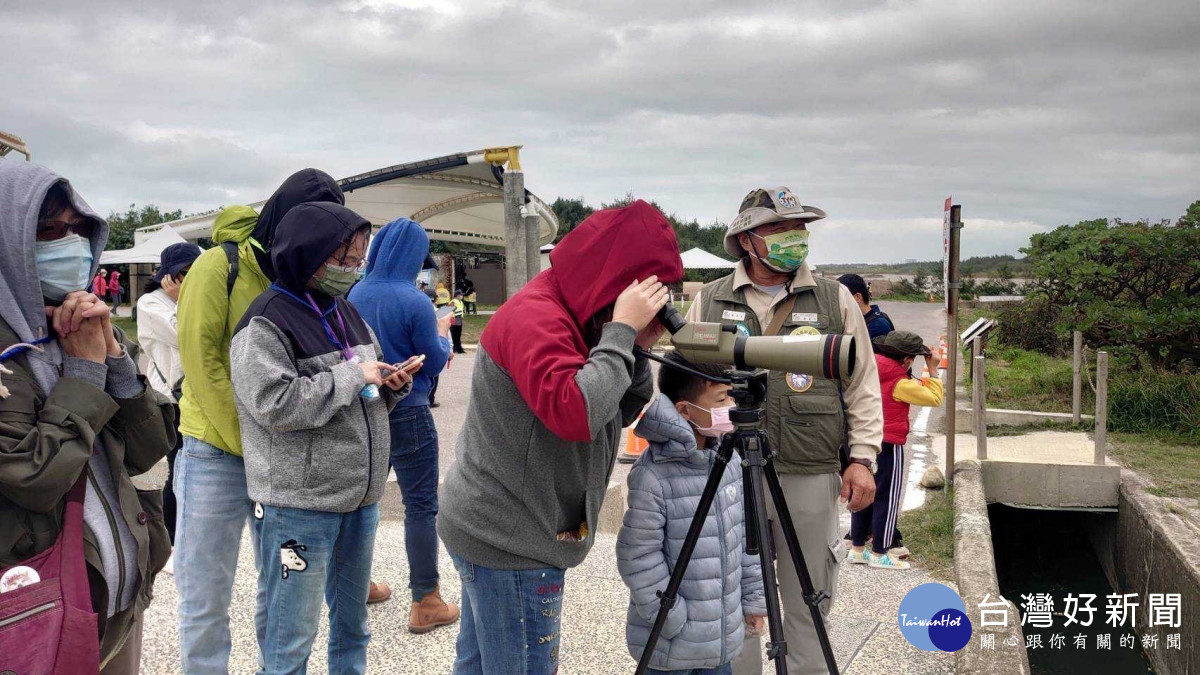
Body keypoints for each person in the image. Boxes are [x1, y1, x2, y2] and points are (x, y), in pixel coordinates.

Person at [439, 200, 683, 674]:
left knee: (480, 664)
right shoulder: (537, 318)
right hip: (511, 542)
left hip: (506, 527)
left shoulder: (578, 311)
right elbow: (577, 413)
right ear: (618, 284)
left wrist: (630, 342)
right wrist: (619, 330)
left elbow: (623, 407)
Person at [173, 169, 376, 674]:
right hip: (217, 445)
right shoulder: (220, 267)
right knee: (205, 592)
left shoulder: (322, 292)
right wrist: (257, 441)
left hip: (282, 455)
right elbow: (202, 363)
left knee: (279, 591)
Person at [685, 187, 883, 675]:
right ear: (747, 238)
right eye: (779, 229)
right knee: (733, 593)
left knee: (809, 598)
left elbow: (863, 386)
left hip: (809, 471)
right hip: (727, 473)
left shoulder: (835, 299)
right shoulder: (710, 300)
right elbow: (681, 379)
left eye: (799, 229)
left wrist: (862, 458)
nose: (794, 238)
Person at [0, 162, 176, 673]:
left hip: (116, 599)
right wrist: (82, 370)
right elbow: (31, 477)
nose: (70, 244)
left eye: (79, 230)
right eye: (49, 231)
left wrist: (115, 362)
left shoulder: (80, 324)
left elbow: (151, 448)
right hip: (33, 609)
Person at [230, 201, 412, 673]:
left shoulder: (345, 310)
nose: (352, 271)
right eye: (344, 260)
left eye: (358, 261)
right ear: (308, 254)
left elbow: (359, 390)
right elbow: (276, 405)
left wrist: (388, 385)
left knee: (353, 627)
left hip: (359, 500)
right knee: (292, 636)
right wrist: (354, 375)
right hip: (299, 508)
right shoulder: (264, 322)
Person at [617, 352, 767, 674]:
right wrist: (672, 618)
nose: (731, 406)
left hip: (720, 639)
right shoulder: (654, 475)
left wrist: (754, 600)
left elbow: (746, 539)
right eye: (721, 398)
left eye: (731, 395)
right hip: (670, 644)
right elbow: (638, 556)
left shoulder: (727, 461)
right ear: (685, 410)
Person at [349, 218, 460, 634]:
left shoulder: (354, 293)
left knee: (362, 501)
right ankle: (426, 599)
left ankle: (357, 584)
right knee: (420, 506)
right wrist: (444, 337)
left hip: (365, 409)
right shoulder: (415, 301)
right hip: (410, 409)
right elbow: (431, 359)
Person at [848, 332, 944, 570]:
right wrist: (933, 370)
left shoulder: (869, 371)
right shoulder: (900, 383)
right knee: (886, 498)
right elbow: (935, 397)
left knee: (863, 494)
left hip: (864, 443)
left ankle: (857, 548)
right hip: (889, 445)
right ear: (907, 360)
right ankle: (881, 552)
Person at [137, 241, 203, 571]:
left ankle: (185, 538)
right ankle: (172, 540)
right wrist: (182, 300)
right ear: (169, 277)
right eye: (185, 274)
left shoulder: (187, 299)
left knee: (191, 467)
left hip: (195, 393)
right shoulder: (151, 303)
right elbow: (186, 335)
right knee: (179, 468)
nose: (191, 280)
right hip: (171, 397)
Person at [838, 273, 895, 345]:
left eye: (840, 297)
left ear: (857, 297)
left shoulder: (878, 325)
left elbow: (859, 353)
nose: (838, 302)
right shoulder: (859, 319)